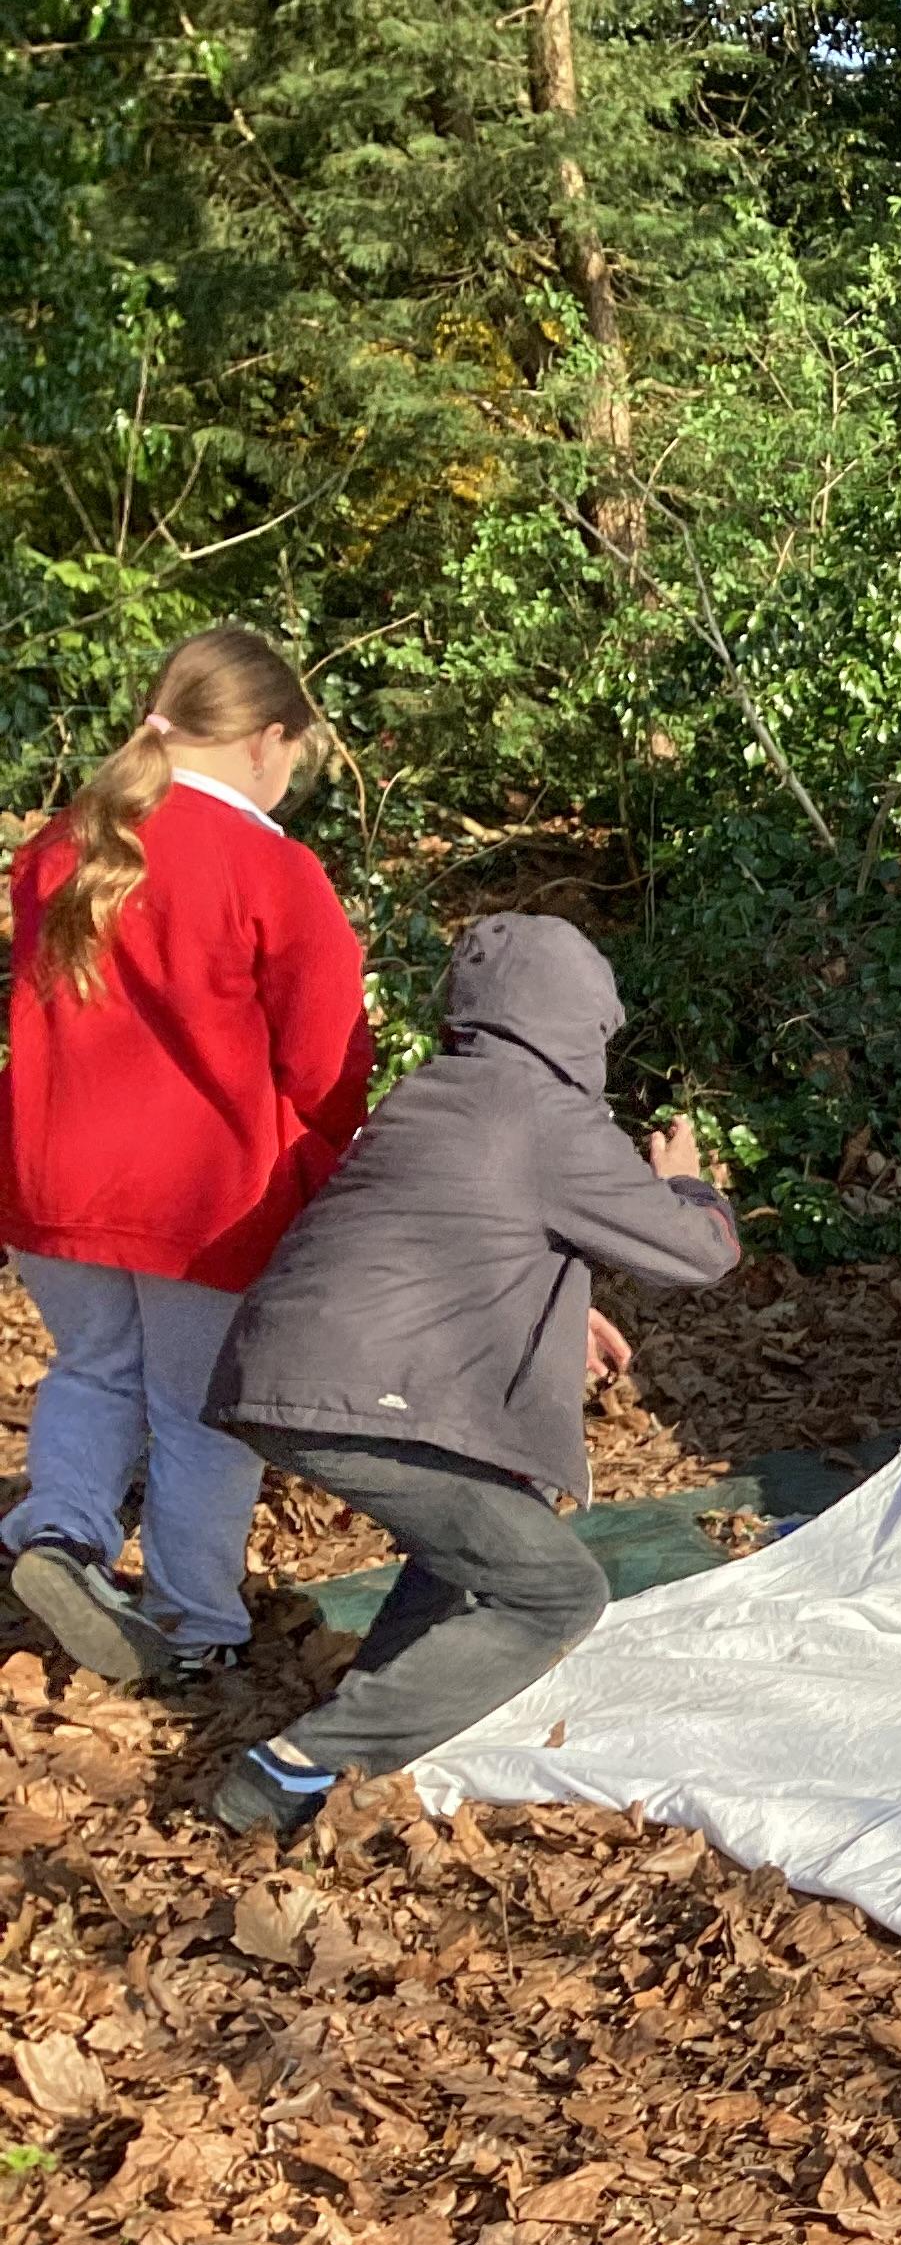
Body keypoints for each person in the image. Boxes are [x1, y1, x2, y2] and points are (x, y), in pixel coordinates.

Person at [192, 913, 742, 1838]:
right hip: (351, 1391)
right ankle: (290, 1771)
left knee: (485, 1526)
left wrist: (562, 1312)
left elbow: (442, 1238)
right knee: (556, 1592)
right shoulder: (546, 1114)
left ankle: (360, 1737)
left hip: (287, 1365)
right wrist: (688, 1183)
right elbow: (699, 1254)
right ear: (580, 1020)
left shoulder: (438, 1090)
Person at [0, 626, 372, 1682]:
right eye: (296, 754)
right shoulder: (271, 867)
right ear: (266, 740)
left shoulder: (62, 847)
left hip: (50, 1179)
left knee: (94, 1369)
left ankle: (64, 1531)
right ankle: (196, 1625)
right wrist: (332, 1149)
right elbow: (325, 1056)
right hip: (203, 1195)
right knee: (200, 1413)